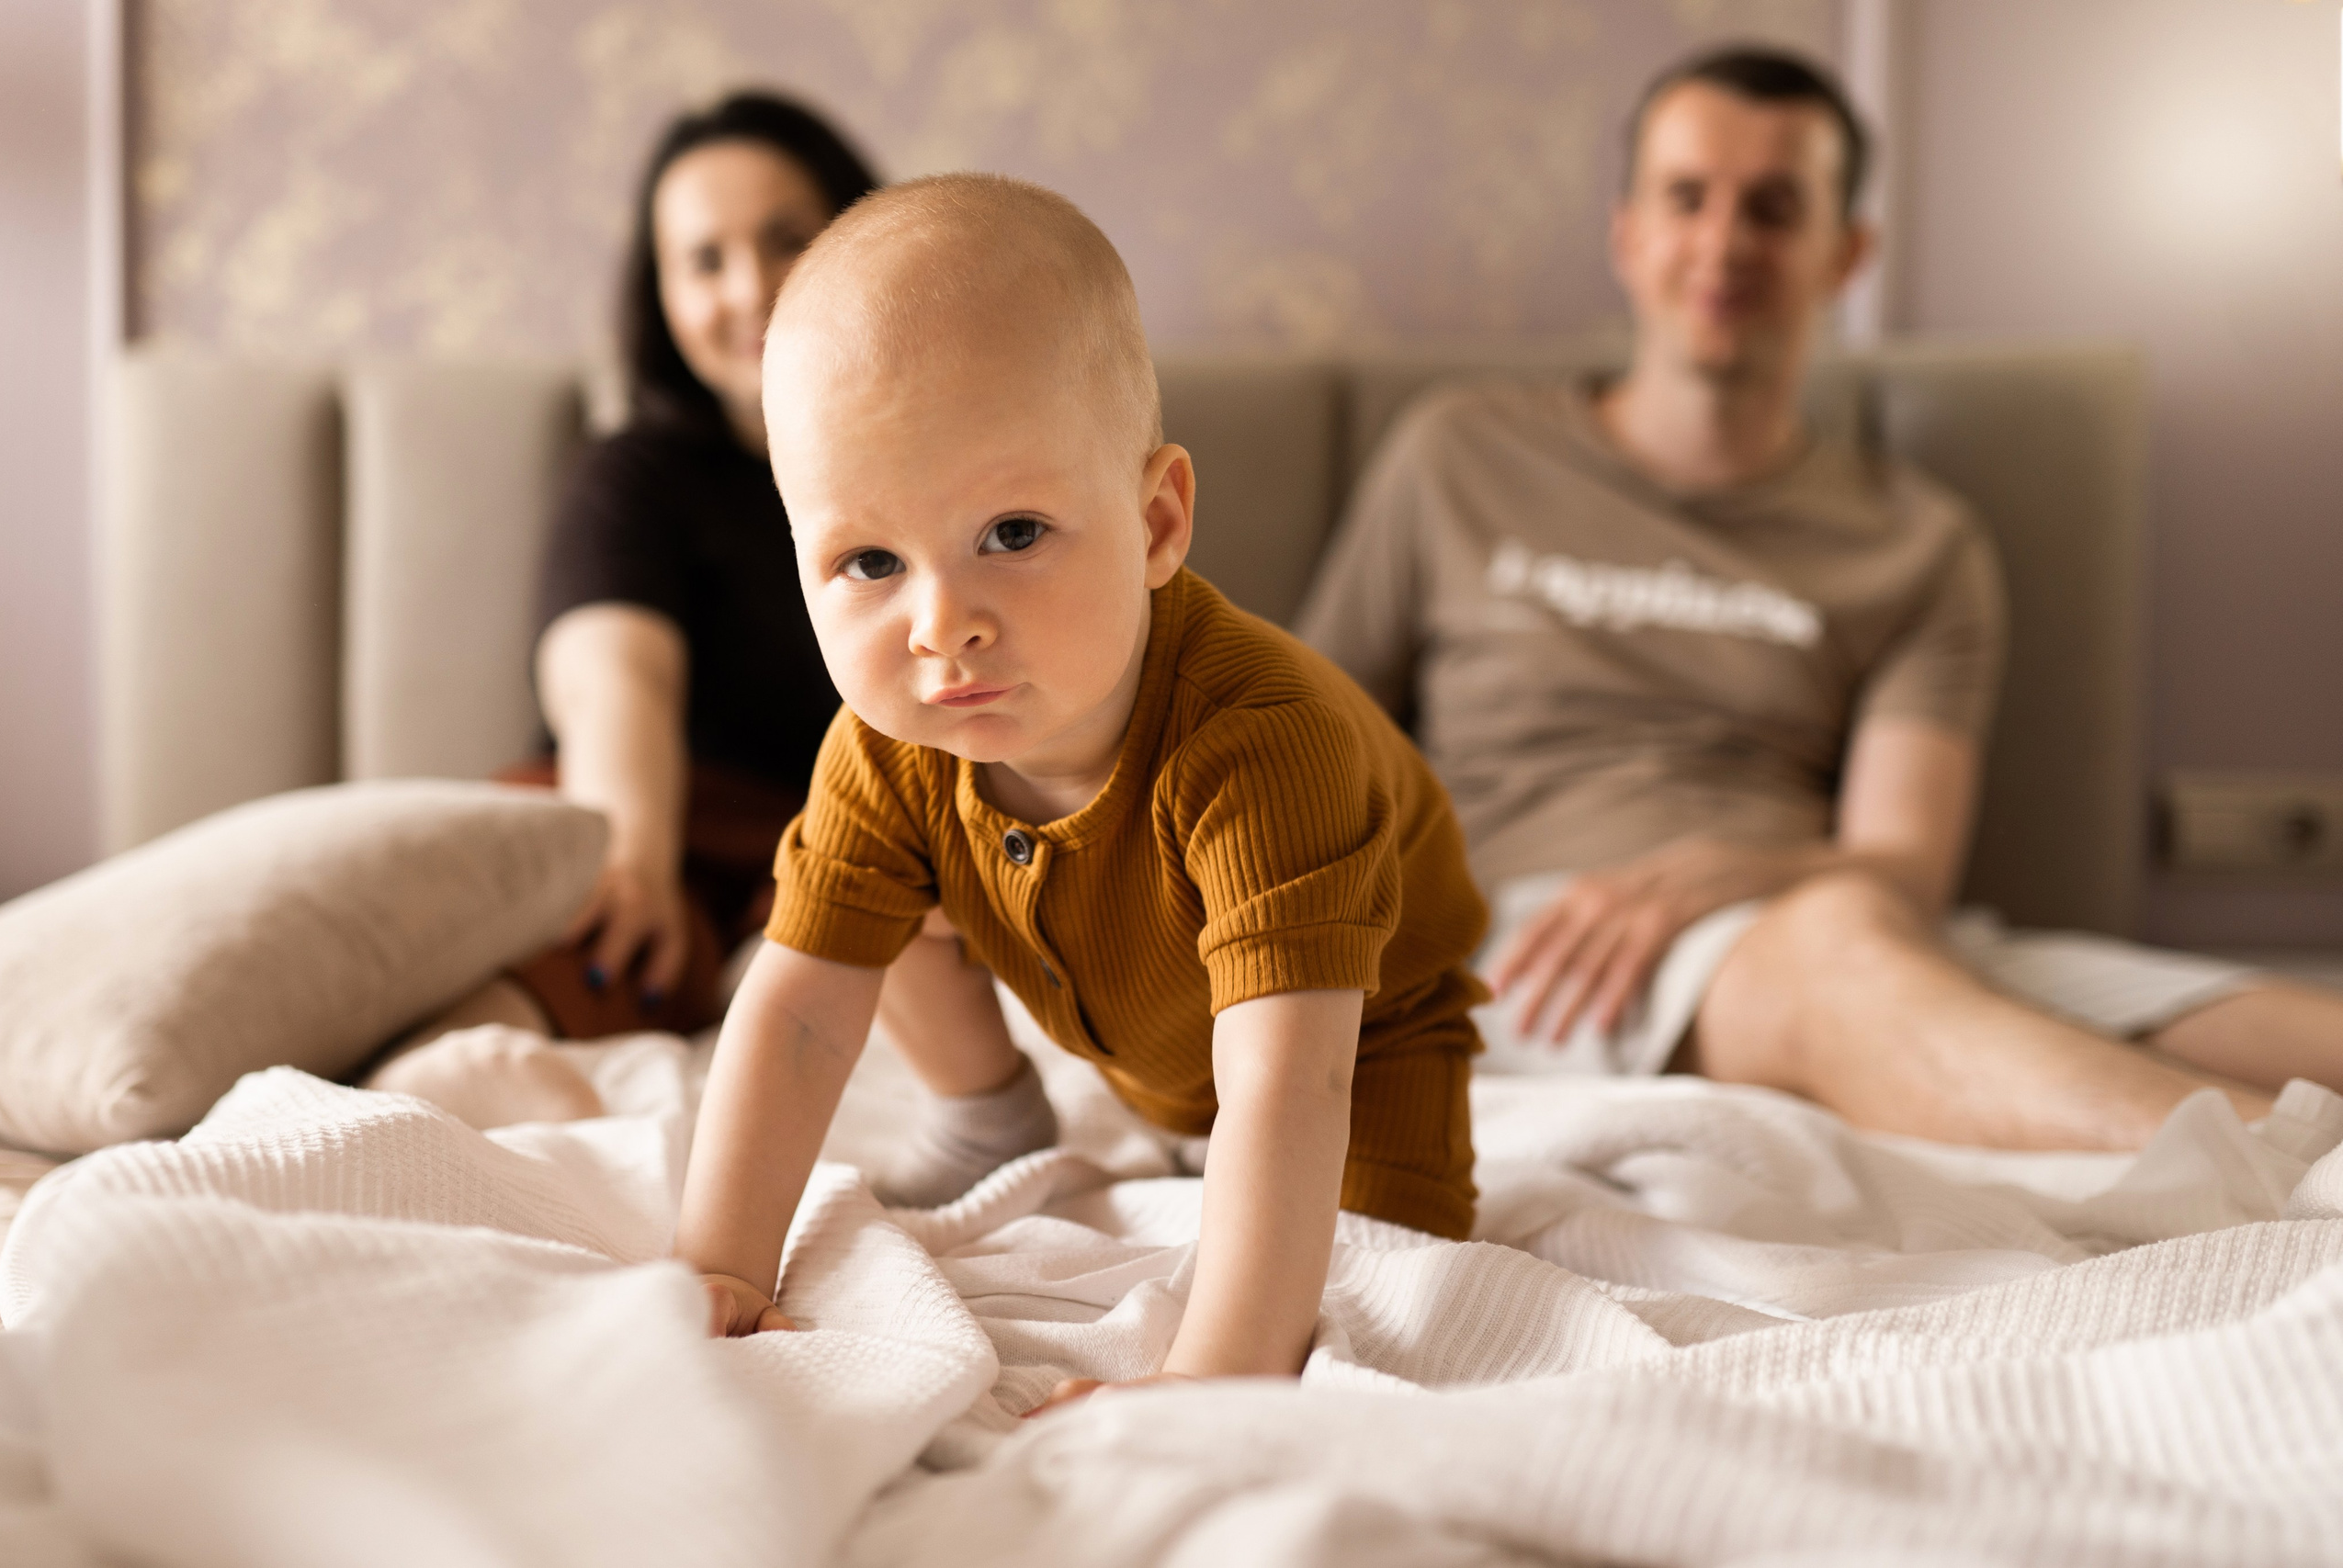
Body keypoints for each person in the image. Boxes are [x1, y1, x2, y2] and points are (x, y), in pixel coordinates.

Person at [1297, 47, 2343, 1150]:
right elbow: (1297, 753)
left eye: (1774, 208)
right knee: (1838, 944)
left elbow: (1902, 862)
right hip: (1550, 951)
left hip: (1843, 925)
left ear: (1845, 254)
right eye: (1687, 198)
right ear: (1628, 233)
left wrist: (1728, 876)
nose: (1723, 242)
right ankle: (2301, 1183)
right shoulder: (1458, 454)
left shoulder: (1917, 543)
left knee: (2298, 1030)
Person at [678, 175, 1488, 1411]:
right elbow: (797, 1010)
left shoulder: (1263, 743)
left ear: (1158, 521)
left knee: (1380, 1282)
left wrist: (1210, 1372)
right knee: (846, 888)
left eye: (1012, 532)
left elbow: (1291, 1080)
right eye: (870, 561)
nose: (943, 627)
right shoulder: (891, 739)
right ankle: (987, 1113)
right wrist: (719, 1264)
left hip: (1358, 1041)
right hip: (1133, 1009)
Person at [365, 93, 877, 1122]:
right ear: (660, 296)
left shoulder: (935, 473)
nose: (752, 289)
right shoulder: (634, 477)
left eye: (788, 239)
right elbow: (615, 683)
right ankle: (400, 1110)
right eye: (703, 261)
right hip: (652, 819)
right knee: (581, 930)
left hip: (849, 850)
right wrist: (631, 856)